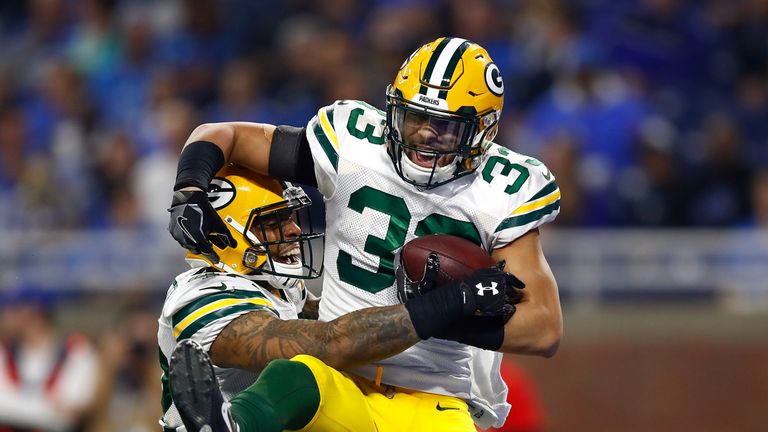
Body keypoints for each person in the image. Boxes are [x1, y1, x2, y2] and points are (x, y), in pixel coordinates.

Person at [167, 36, 562, 431]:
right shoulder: (355, 144)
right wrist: (189, 186)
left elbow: (544, 328)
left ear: (483, 131)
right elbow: (226, 134)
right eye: (413, 117)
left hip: (434, 397)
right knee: (297, 375)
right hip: (342, 377)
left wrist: (455, 318)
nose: (424, 133)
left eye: (443, 126)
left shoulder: (504, 190)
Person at [160, 165, 522, 431]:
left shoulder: (275, 286)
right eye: (272, 222)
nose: (295, 229)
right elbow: (329, 343)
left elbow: (337, 317)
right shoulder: (203, 295)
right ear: (226, 236)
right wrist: (448, 302)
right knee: (300, 375)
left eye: (290, 217)